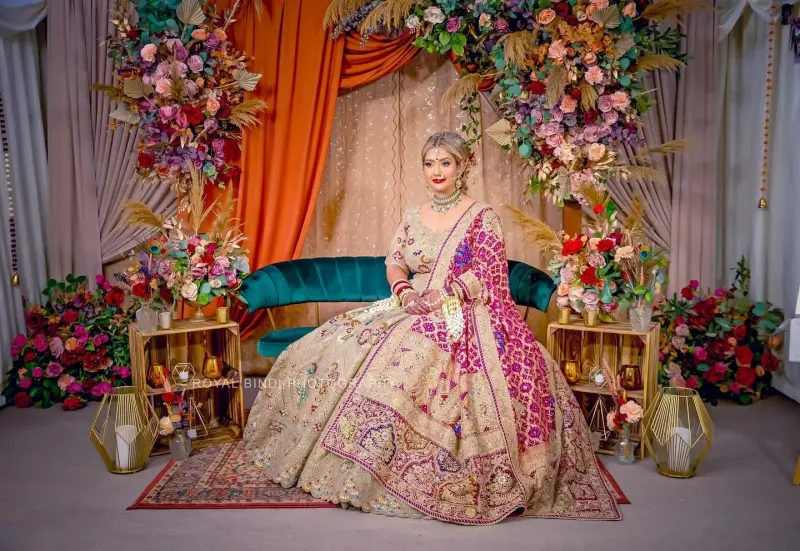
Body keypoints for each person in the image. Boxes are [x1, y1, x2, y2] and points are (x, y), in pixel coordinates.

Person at [243, 131, 621, 525]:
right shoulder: (413, 214)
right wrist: (404, 292)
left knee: (417, 353)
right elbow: (395, 261)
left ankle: (405, 465)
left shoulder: (481, 216)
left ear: (462, 167)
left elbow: (489, 271)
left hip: (465, 307)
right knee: (337, 341)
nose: (436, 171)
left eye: (445, 163)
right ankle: (337, 450)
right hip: (410, 302)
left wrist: (447, 296)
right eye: (429, 163)